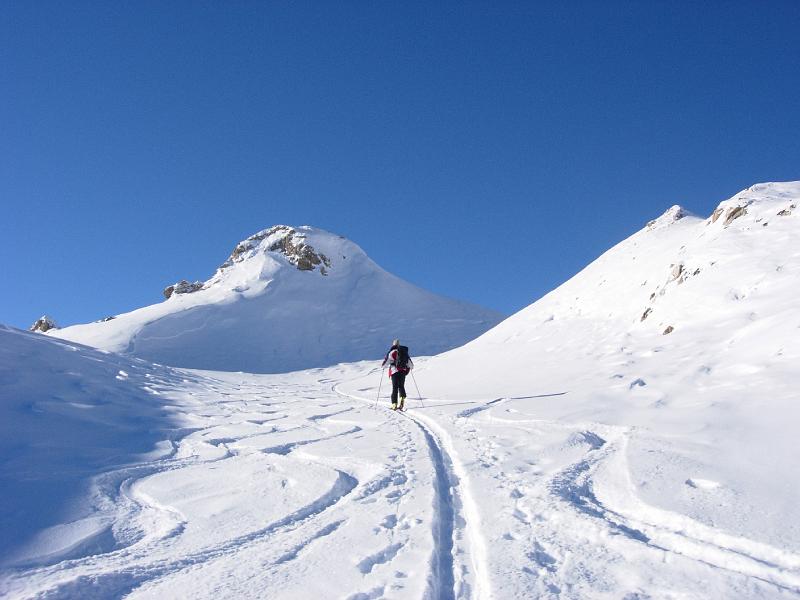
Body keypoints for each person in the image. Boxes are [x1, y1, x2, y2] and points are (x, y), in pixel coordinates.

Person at [381, 339, 413, 410]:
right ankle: (402, 398)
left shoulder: (391, 352)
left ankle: (394, 404)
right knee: (401, 386)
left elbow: (385, 364)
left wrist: (383, 366)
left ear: (393, 344)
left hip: (394, 371)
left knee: (395, 387)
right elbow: (411, 365)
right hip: (403, 372)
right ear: (399, 344)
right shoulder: (404, 352)